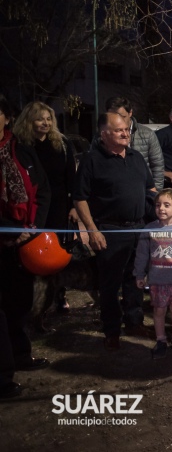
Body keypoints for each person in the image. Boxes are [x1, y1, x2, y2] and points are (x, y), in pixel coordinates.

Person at [73, 112, 155, 350]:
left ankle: (134, 321)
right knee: (110, 284)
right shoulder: (91, 160)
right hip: (110, 230)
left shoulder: (136, 157)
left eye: (127, 129)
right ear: (104, 133)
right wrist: (92, 230)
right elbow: (80, 198)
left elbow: (149, 188)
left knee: (136, 278)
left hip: (138, 228)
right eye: (119, 129)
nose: (125, 133)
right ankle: (111, 330)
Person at [0, 96, 51, 371]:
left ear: (7, 118)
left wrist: (32, 229)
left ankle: (20, 356)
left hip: (21, 239)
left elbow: (43, 190)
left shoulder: (22, 150)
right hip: (5, 236)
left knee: (19, 302)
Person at [13, 101, 78, 312]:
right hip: (34, 207)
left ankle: (58, 295)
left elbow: (72, 178)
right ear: (29, 121)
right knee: (32, 252)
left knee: (56, 253)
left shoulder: (62, 144)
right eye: (41, 118)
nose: (46, 123)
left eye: (49, 119)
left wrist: (73, 206)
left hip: (59, 206)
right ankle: (32, 302)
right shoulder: (21, 146)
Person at [133, 188, 172, 359]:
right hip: (157, 280)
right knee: (159, 310)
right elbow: (142, 254)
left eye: (166, 205)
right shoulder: (149, 229)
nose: (161, 208)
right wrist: (139, 274)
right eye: (158, 205)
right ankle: (160, 339)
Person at [105, 97, 165, 190]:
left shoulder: (147, 134)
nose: (118, 121)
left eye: (122, 116)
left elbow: (157, 166)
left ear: (130, 113)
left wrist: (154, 196)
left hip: (143, 192)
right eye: (113, 117)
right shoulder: (101, 137)